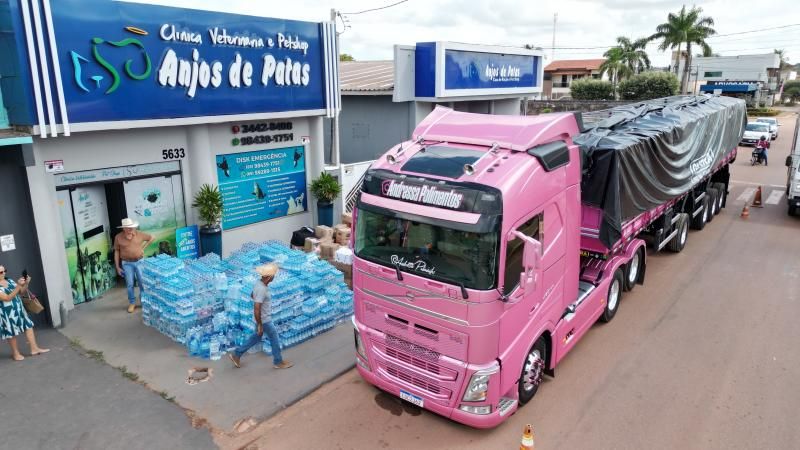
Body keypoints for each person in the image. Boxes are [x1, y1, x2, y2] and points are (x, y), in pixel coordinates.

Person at [229, 264, 293, 369]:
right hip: (264, 320)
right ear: (269, 277)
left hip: (261, 318)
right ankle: (278, 361)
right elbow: (257, 308)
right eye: (273, 275)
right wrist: (260, 324)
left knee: (256, 337)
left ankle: (237, 354)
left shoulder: (258, 283)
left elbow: (252, 295)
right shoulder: (262, 289)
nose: (274, 277)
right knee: (274, 338)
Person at [0, 266, 49, 361]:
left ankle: (34, 349)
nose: (4, 273)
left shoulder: (9, 280)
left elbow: (20, 292)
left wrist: (26, 283)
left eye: (4, 271)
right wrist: (18, 285)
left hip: (19, 309)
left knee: (28, 326)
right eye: (1, 272)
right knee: (11, 333)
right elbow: (7, 298)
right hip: (6, 312)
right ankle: (15, 353)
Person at [113, 218, 153, 313]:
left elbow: (152, 237)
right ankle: (132, 303)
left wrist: (143, 247)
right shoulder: (118, 237)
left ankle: (144, 301)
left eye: (132, 227)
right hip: (126, 264)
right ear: (124, 228)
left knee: (142, 283)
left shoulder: (139, 234)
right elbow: (116, 251)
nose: (131, 229)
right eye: (128, 227)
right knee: (130, 284)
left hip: (139, 262)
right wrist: (117, 267)